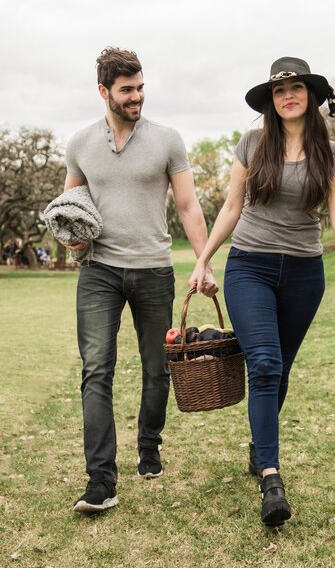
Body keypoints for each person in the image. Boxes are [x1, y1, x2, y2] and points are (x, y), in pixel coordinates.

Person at [189, 57, 335, 527]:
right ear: (271, 99)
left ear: (309, 95)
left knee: (279, 369)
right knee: (263, 363)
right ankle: (271, 476)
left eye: (297, 87)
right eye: (280, 89)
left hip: (305, 272)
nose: (289, 95)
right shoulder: (253, 142)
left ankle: (257, 447)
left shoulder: (330, 152)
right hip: (250, 265)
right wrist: (203, 260)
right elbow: (232, 206)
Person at [62, 47, 218, 513]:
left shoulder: (168, 140)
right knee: (96, 370)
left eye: (141, 87)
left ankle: (149, 445)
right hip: (99, 272)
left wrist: (204, 261)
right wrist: (72, 238)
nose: (137, 97)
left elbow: (188, 206)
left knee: (157, 367)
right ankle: (100, 481)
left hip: (153, 268)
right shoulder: (80, 143)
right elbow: (70, 206)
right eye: (127, 90)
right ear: (103, 91)